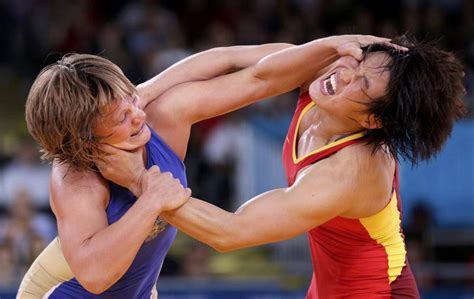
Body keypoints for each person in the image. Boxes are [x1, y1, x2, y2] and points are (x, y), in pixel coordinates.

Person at [18, 35, 388, 298]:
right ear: (85, 140)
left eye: (131, 97)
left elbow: (261, 75)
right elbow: (96, 277)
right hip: (61, 289)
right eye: (121, 118)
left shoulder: (158, 116)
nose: (138, 115)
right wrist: (149, 199)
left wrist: (331, 47)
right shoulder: (76, 181)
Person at [99, 36, 465, 298]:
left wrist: (136, 179)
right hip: (326, 287)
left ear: (372, 121)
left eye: (363, 83)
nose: (345, 74)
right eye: (357, 60)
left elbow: (230, 233)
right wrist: (143, 92)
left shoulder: (351, 171)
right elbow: (228, 59)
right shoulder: (324, 74)